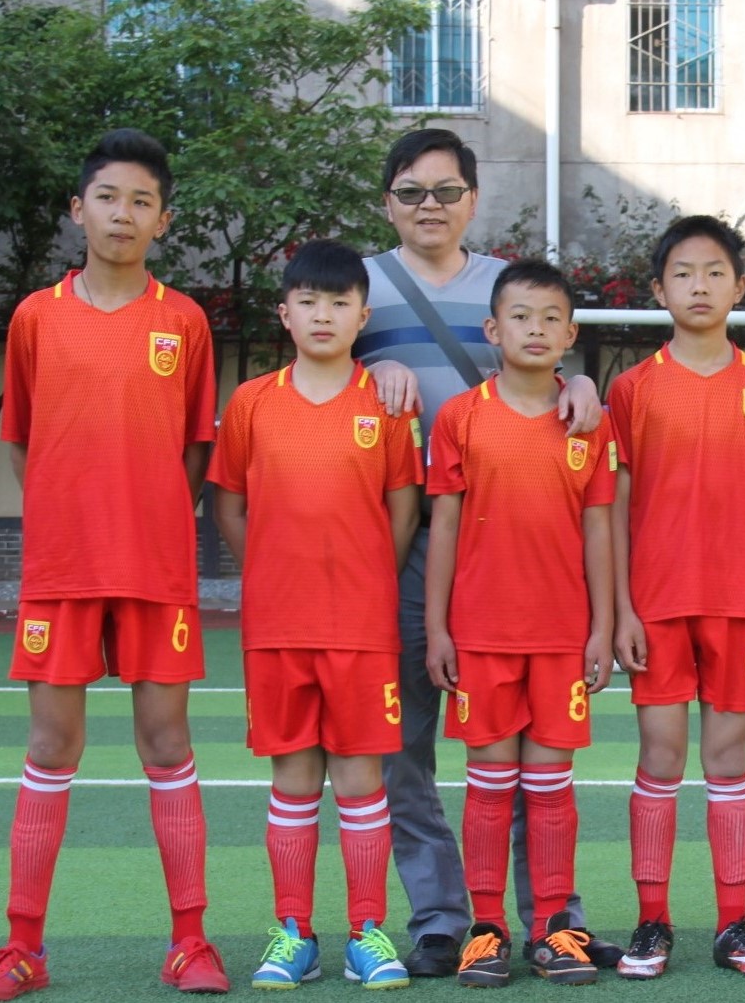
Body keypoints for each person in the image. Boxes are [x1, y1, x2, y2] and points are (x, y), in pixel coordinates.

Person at [0, 130, 229, 1002]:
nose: (123, 213)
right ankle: (22, 948)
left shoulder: (183, 322)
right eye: (108, 197)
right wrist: (70, 516)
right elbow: (23, 442)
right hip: (63, 568)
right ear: (79, 209)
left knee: (168, 744)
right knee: (50, 745)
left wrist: (149, 518)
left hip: (155, 569)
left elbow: (194, 449)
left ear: (163, 220)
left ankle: (190, 942)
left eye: (142, 201)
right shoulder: (36, 317)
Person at [350, 129, 612, 975]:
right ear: (387, 201)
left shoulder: (509, 285)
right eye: (411, 191)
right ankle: (444, 918)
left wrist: (581, 382)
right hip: (405, 541)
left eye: (446, 190)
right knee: (408, 745)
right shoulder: (359, 285)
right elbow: (320, 372)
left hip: (515, 550)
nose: (429, 205)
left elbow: (551, 369)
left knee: (533, 753)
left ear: (472, 198)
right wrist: (368, 377)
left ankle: (552, 919)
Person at [209, 240, 423, 990]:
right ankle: (292, 933)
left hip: (361, 626)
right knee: (294, 780)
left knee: (361, 780)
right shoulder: (251, 403)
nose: (323, 314)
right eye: (308, 301)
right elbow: (229, 504)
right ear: (285, 313)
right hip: (277, 625)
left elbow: (403, 509)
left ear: (363, 316)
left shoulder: (385, 403)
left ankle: (367, 931)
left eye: (339, 302)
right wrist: (274, 570)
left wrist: (363, 577)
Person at [606, 215, 745, 979]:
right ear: (659, 290)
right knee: (659, 756)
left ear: (739, 287)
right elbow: (616, 504)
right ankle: (652, 922)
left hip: (738, 601)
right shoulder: (633, 388)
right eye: (683, 274)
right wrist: (621, 608)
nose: (699, 286)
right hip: (655, 602)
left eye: (715, 272)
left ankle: (732, 925)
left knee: (726, 759)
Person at [421, 259, 618, 988]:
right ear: (492, 330)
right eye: (521, 317)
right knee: (488, 787)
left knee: (552, 788)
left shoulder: (588, 421)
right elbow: (444, 528)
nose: (536, 329)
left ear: (570, 334)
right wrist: (438, 629)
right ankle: (487, 929)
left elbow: (599, 529)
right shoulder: (461, 417)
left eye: (550, 318)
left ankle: (552, 929)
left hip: (562, 636)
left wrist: (601, 628)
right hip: (481, 635)